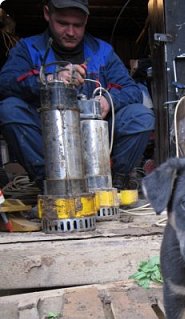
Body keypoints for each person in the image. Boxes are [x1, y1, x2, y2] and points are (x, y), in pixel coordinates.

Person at [0, 0, 155, 191]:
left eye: (78, 25)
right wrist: (49, 79)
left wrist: (109, 100)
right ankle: (51, 185)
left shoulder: (103, 52)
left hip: (97, 139)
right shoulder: (28, 49)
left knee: (140, 115)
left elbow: (131, 90)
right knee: (9, 109)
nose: (71, 32)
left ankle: (114, 183)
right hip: (48, 138)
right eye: (63, 23)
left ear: (86, 20)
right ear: (47, 14)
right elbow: (6, 83)